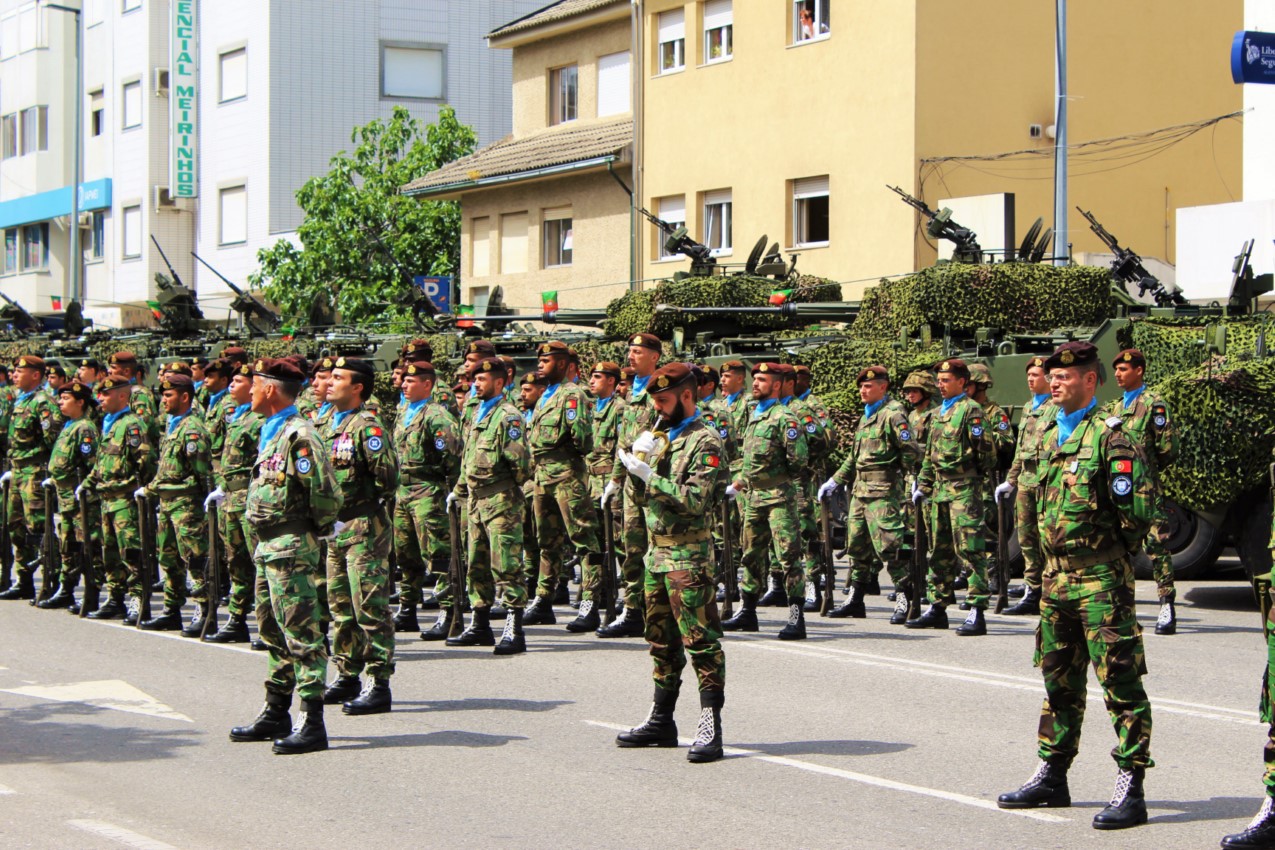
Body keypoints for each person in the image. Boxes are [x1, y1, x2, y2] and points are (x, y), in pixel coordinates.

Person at [997, 341, 1155, 831]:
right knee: (1058, 682)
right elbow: (1030, 505)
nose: (1056, 381)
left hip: (1101, 578)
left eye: (1067, 376)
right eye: (1052, 375)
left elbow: (1138, 513)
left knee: (1120, 684)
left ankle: (1131, 784)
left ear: (1092, 381)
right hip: (1054, 577)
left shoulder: (1113, 437)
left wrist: (1107, 554)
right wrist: (1035, 573)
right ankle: (1053, 774)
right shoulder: (1044, 432)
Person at [614, 362, 727, 763]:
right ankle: (662, 719)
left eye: (663, 400)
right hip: (656, 553)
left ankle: (710, 724)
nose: (657, 409)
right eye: (654, 402)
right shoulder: (662, 437)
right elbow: (642, 498)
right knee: (660, 641)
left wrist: (650, 475)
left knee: (700, 642)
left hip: (688, 555)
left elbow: (694, 500)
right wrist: (636, 467)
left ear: (686, 396)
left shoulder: (705, 442)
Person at [229, 358, 340, 755]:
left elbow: (324, 493)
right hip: (268, 546)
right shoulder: (272, 431)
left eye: (255, 384)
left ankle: (312, 721)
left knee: (302, 633)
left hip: (291, 546)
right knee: (272, 631)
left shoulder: (300, 436)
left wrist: (314, 529)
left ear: (271, 389)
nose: (250, 391)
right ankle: (276, 709)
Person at [319, 358, 399, 715]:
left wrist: (363, 500)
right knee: (340, 606)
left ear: (358, 388)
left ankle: (378, 681)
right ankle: (347, 672)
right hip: (335, 530)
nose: (330, 382)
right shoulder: (323, 423)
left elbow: (389, 477)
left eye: (338, 378)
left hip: (364, 527)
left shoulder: (368, 427)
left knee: (369, 605)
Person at [818, 365, 921, 623]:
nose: (863, 391)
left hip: (883, 492)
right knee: (857, 548)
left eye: (868, 386)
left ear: (883, 387)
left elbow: (910, 450)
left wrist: (914, 478)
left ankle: (905, 598)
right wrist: (834, 480)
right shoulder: (867, 416)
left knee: (891, 546)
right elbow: (855, 459)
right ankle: (855, 598)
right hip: (860, 492)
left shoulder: (893, 414)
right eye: (861, 386)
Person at [445, 356, 530, 655]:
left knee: (506, 564)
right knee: (476, 563)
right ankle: (480, 623)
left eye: (482, 380)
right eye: (474, 379)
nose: (475, 384)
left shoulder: (509, 417)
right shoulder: (477, 413)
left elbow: (521, 463)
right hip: (475, 499)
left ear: (499, 382)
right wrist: (458, 490)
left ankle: (513, 626)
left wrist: (502, 485)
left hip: (500, 499)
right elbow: (468, 457)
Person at [721, 362, 809, 639]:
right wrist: (739, 484)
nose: (755, 383)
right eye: (755, 379)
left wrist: (776, 478)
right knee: (750, 555)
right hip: (754, 496)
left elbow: (799, 460)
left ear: (777, 385)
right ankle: (748, 612)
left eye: (762, 379)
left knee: (788, 558)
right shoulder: (754, 416)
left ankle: (796, 617)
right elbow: (748, 460)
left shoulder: (785, 418)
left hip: (779, 497)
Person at [908, 358, 994, 635]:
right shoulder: (938, 413)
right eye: (939, 381)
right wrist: (923, 484)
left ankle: (977, 609)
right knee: (939, 552)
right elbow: (929, 454)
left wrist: (969, 475)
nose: (941, 385)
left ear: (962, 382)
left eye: (946, 380)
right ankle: (938, 607)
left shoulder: (972, 410)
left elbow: (987, 453)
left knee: (970, 550)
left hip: (964, 489)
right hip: (940, 491)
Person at [1102, 348, 1179, 635]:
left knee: (1157, 545)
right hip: (1118, 491)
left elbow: (1168, 448)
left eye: (1124, 369)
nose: (1119, 375)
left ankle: (1167, 604)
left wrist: (1145, 468)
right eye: (1117, 370)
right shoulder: (1114, 408)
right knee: (1118, 548)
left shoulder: (1154, 405)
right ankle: (1123, 609)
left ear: (1139, 371)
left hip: (1146, 488)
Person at [525, 341, 602, 628]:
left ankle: (589, 603)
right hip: (542, 475)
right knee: (547, 541)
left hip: (566, 474)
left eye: (546, 361)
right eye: (540, 360)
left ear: (560, 364)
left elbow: (583, 439)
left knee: (584, 539)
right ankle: (544, 600)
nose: (540, 365)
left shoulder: (573, 395)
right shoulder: (546, 396)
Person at [138, 374, 213, 636]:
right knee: (168, 559)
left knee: (194, 559)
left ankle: (205, 610)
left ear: (184, 397)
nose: (163, 400)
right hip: (168, 503)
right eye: (163, 395)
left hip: (186, 505)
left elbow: (202, 473)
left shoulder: (192, 429)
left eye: (169, 395)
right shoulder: (174, 426)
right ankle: (171, 610)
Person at [600, 334, 663, 639]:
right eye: (630, 351)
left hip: (653, 482)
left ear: (654, 356)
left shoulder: (661, 391)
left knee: (657, 548)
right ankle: (633, 611)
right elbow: (621, 444)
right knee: (631, 547)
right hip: (629, 484)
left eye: (638, 352)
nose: (632, 356)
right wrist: (614, 478)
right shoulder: (629, 395)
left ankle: (659, 610)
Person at [392, 360, 461, 640]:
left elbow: (453, 457)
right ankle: (408, 609)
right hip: (403, 491)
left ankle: (448, 610)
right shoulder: (403, 412)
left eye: (411, 381)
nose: (405, 385)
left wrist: (449, 490)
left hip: (427, 491)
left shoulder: (437, 416)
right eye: (404, 381)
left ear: (428, 384)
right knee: (405, 555)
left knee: (438, 554)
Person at [82, 376, 156, 622]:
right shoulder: (109, 423)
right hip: (107, 498)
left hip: (125, 501)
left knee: (132, 552)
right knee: (110, 552)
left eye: (105, 394)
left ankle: (137, 598)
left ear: (122, 396)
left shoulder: (132, 424)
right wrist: (87, 485)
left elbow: (145, 462)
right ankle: (115, 598)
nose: (100, 399)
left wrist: (138, 490)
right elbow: (101, 463)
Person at [203, 362, 262, 644]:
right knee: (236, 564)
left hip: (249, 500)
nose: (231, 386)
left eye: (238, 381)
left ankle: (268, 625)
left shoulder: (259, 420)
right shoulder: (238, 418)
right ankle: (237, 619)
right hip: (230, 500)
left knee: (259, 564)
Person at [0, 356, 63, 601]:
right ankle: (24, 579)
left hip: (35, 472)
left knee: (38, 526)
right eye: (14, 371)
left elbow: (53, 440)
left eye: (20, 371)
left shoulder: (43, 402)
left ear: (36, 375)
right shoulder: (20, 399)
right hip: (17, 471)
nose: (15, 375)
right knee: (15, 526)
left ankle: (54, 579)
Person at [997, 357, 1054, 616]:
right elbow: (1021, 448)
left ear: (1049, 377)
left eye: (1036, 374)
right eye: (1029, 375)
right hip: (1026, 482)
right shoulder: (1031, 406)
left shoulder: (1056, 406)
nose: (1031, 379)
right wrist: (1011, 480)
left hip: (1045, 481)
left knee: (1047, 537)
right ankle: (1033, 588)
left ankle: (1049, 588)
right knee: (1026, 538)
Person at [38, 380, 101, 613]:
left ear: (80, 402)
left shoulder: (85, 428)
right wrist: (54, 479)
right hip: (65, 498)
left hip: (80, 501)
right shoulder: (70, 425)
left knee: (89, 546)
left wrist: (85, 486)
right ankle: (66, 590)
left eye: (65, 399)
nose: (60, 402)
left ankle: (92, 593)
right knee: (69, 546)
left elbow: (93, 465)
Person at [580, 361, 625, 632]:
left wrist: (615, 483)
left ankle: (626, 600)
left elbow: (622, 448)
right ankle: (591, 601)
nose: (592, 381)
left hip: (610, 486)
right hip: (589, 485)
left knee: (619, 545)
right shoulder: (587, 408)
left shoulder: (620, 409)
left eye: (598, 377)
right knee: (592, 547)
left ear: (611, 381)